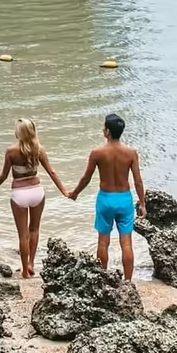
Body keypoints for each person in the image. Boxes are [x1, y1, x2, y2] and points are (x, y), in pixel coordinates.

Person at [0, 118, 69, 278]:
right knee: (34, 229)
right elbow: (52, 172)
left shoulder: (11, 152)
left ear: (18, 133)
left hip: (19, 194)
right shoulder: (39, 149)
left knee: (23, 235)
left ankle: (24, 271)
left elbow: (3, 176)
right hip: (37, 192)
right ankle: (31, 263)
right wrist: (64, 191)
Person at [68, 112, 146, 281]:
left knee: (103, 242)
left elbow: (86, 178)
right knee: (126, 242)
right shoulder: (131, 153)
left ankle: (103, 278)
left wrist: (75, 193)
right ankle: (128, 281)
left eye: (104, 127)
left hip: (105, 200)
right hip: (124, 199)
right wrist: (142, 203)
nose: (103, 130)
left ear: (108, 132)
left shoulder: (97, 153)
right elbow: (138, 181)